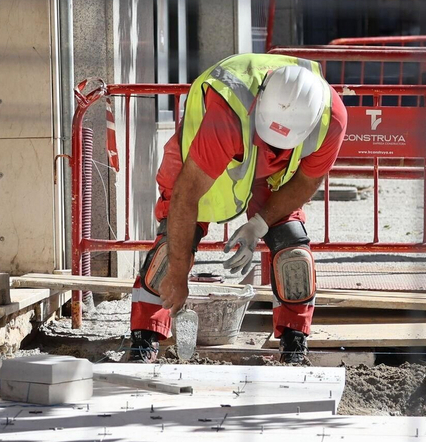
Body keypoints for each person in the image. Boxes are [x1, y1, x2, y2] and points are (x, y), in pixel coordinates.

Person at [129, 55, 347, 364]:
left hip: (274, 173)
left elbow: (307, 182)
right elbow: (186, 196)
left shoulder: (330, 120)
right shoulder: (228, 113)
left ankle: (294, 342)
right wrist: (178, 276)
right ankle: (144, 338)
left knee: (293, 251)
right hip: (202, 157)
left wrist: (259, 224)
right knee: (170, 251)